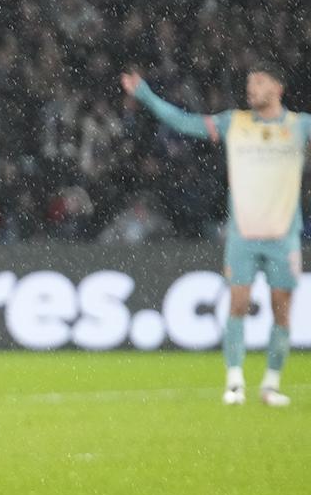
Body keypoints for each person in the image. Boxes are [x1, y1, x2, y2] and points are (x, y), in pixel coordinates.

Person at [122, 62, 302, 407]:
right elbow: (183, 122)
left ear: (278, 88)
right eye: (250, 82)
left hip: (283, 236)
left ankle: (270, 385)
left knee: (282, 311)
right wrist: (144, 94)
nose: (252, 88)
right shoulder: (235, 122)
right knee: (237, 304)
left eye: (260, 81)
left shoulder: (299, 126)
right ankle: (234, 382)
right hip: (243, 234)